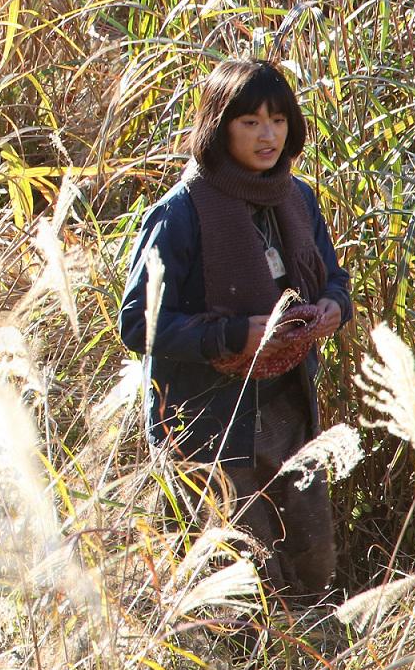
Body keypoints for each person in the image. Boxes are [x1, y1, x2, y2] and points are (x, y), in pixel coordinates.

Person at [116, 58, 355, 610]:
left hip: (287, 407)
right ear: (219, 128)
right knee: (237, 585)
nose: (267, 134)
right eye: (249, 122)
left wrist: (331, 308)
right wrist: (230, 336)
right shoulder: (180, 213)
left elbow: (334, 278)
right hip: (210, 422)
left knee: (311, 564)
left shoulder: (297, 199)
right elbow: (136, 323)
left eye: (277, 119)